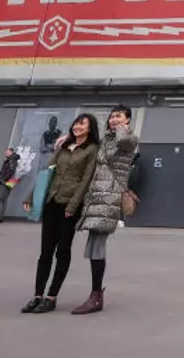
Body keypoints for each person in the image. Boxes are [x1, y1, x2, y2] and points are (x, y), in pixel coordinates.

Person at [21, 114, 100, 314]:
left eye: (83, 123)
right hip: (52, 201)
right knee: (45, 252)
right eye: (76, 123)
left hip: (69, 206)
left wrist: (73, 205)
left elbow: (86, 179)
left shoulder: (91, 150)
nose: (77, 126)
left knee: (62, 251)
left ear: (90, 128)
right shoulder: (64, 147)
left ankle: (51, 296)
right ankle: (37, 295)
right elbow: (48, 172)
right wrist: (31, 196)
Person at [72, 104, 139, 314]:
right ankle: (95, 293)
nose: (113, 120)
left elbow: (122, 141)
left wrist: (120, 127)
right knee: (93, 247)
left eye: (118, 116)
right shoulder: (104, 141)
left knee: (97, 246)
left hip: (109, 198)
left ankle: (96, 295)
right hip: (95, 198)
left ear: (128, 120)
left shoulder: (129, 139)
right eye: (111, 117)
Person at [0, 147, 20, 223]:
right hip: (11, 181)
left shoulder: (11, 160)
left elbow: (11, 170)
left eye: (8, 152)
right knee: (3, 200)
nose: (6, 154)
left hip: (5, 181)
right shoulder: (13, 160)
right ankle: (0, 217)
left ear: (12, 152)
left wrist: (2, 180)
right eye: (6, 153)